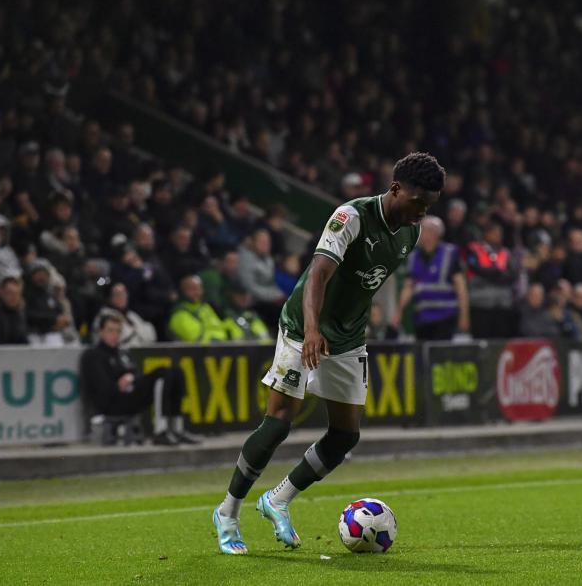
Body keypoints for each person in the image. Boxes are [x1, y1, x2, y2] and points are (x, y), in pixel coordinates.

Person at [212, 151, 445, 555]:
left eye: (429, 206)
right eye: (417, 202)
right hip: (305, 328)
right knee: (279, 421)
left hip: (350, 338)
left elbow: (368, 282)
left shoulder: (411, 232)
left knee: (345, 435)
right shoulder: (351, 217)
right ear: (395, 189)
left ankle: (278, 499)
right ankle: (228, 512)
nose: (421, 212)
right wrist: (313, 329)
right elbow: (319, 272)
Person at [79, 314, 198, 446]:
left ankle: (177, 428)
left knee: (176, 372)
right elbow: (100, 388)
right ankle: (160, 430)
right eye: (110, 331)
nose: (115, 335)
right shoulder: (93, 356)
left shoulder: (122, 354)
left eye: (118, 331)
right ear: (101, 332)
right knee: (162, 374)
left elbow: (134, 373)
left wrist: (131, 378)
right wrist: (118, 384)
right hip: (112, 402)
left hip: (130, 396)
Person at [392, 215, 470, 340]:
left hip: (445, 317)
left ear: (435, 233)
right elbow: (408, 287)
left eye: (422, 230)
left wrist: (464, 316)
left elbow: (461, 288)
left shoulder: (450, 253)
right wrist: (398, 312)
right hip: (421, 318)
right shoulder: (413, 257)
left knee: (441, 356)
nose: (419, 234)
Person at [168, 274, 231, 343]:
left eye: (198, 288)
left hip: (222, 348)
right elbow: (196, 338)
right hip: (199, 352)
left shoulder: (205, 307)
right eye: (191, 289)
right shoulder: (179, 313)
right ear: (182, 291)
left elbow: (224, 327)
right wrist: (219, 339)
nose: (197, 292)